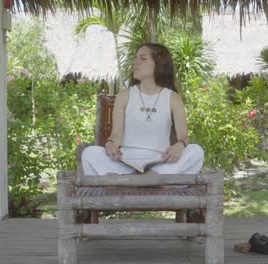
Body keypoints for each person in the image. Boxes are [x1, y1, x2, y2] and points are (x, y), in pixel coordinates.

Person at [82, 43, 204, 176]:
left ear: (159, 64)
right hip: (126, 161)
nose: (136, 62)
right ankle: (148, 181)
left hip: (159, 162)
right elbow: (116, 135)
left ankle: (138, 179)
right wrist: (110, 144)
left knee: (196, 152)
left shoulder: (173, 98)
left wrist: (179, 146)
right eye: (135, 58)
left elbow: (183, 137)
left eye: (143, 58)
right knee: (89, 154)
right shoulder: (124, 95)